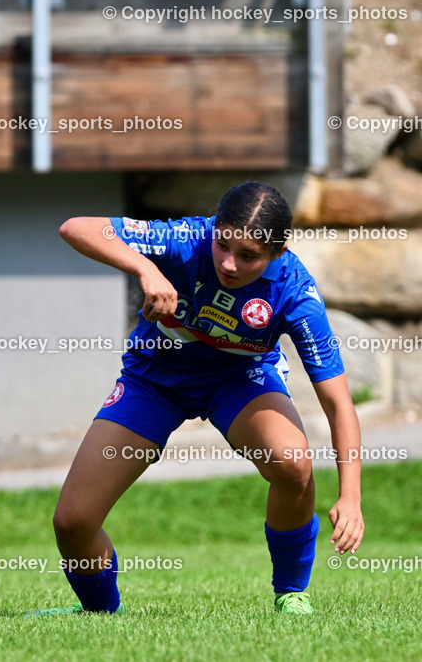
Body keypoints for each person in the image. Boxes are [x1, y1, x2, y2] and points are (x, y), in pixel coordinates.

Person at [37, 182, 364, 616]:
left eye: (248, 256)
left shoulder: (296, 294)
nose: (229, 263)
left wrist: (351, 497)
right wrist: (146, 269)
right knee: (72, 521)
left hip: (239, 380)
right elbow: (75, 228)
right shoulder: (186, 239)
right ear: (214, 228)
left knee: (292, 463)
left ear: (278, 252)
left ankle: (291, 593)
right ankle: (98, 613)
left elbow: (338, 403)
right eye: (223, 245)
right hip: (154, 382)